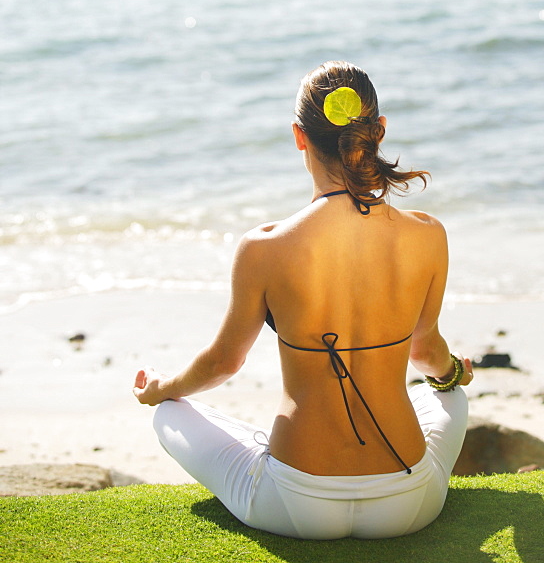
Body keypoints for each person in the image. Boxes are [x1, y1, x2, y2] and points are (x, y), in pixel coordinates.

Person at [133, 61, 473, 540]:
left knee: (169, 412)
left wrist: (163, 387)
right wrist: (457, 371)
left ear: (299, 136)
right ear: (378, 131)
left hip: (295, 501)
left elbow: (225, 363)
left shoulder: (265, 247)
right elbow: (425, 354)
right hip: (406, 501)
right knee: (449, 394)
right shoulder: (428, 234)